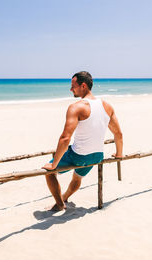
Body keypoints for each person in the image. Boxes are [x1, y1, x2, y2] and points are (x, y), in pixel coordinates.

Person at [42, 71, 123, 211]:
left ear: (83, 86)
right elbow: (118, 133)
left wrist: (54, 163)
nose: (70, 89)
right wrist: (119, 154)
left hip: (78, 156)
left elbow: (65, 138)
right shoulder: (107, 106)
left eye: (73, 86)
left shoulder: (76, 107)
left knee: (49, 173)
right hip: (97, 156)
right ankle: (65, 197)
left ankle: (60, 205)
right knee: (77, 178)